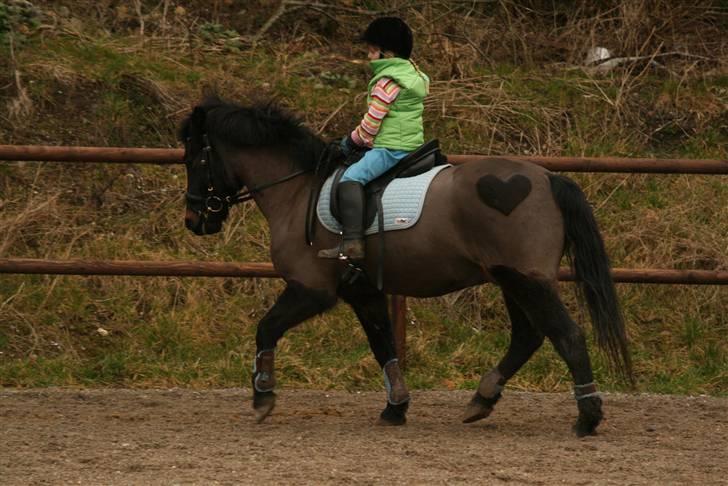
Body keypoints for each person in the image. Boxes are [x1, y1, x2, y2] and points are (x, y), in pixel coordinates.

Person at [318, 16, 430, 260]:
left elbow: (371, 124)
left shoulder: (387, 81)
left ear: (386, 53)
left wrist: (351, 141)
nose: (368, 57)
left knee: (351, 178)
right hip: (412, 144)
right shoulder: (413, 75)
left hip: (390, 148)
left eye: (371, 51)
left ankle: (352, 243)